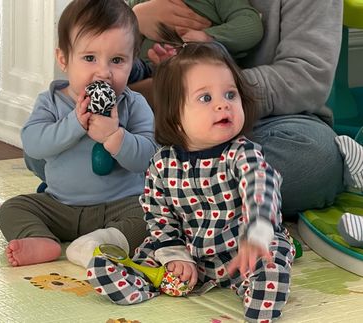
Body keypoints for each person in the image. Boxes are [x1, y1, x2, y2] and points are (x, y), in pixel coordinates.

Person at [87, 41, 295, 323]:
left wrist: (257, 233)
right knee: (137, 255)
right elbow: (159, 215)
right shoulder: (162, 163)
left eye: (230, 94)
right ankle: (140, 279)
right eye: (205, 98)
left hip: (242, 250)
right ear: (175, 117)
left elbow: (262, 184)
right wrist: (175, 255)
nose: (223, 103)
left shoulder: (242, 153)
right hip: (189, 251)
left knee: (271, 263)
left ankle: (257, 302)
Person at [129, 0, 345, 217]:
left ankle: (156, 197)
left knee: (316, 160)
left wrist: (198, 92)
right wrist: (134, 22)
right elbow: (103, 46)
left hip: (272, 119)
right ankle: (174, 195)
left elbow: (307, 76)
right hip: (160, 119)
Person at [0, 0, 157, 267]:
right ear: (64, 60)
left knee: (154, 217)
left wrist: (115, 136)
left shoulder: (134, 103)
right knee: (12, 209)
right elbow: (33, 144)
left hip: (121, 205)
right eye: (90, 58)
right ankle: (40, 239)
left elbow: (149, 159)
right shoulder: (52, 101)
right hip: (61, 205)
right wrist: (73, 124)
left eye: (117, 60)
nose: (104, 72)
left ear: (132, 63)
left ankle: (106, 240)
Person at [126, 0, 263, 84]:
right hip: (146, 71)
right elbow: (113, 27)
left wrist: (208, 37)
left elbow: (251, 24)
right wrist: (136, 17)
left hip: (197, 71)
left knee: (212, 52)